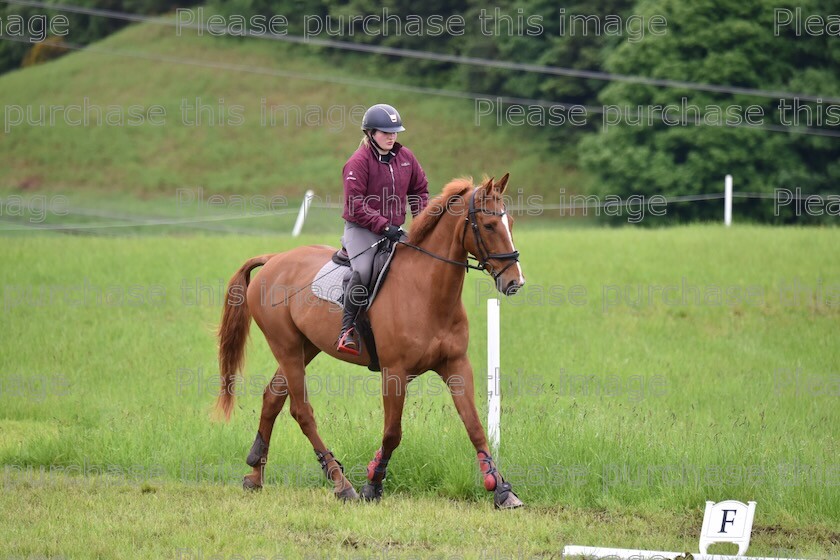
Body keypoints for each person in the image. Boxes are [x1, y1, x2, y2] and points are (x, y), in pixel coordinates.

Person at [337, 103, 429, 355]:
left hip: (394, 229)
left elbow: (419, 190)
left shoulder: (406, 158)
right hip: (362, 229)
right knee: (364, 270)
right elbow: (355, 204)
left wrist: (421, 222)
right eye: (385, 132)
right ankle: (347, 330)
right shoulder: (358, 162)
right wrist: (384, 226)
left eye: (395, 131)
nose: (391, 136)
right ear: (370, 133)